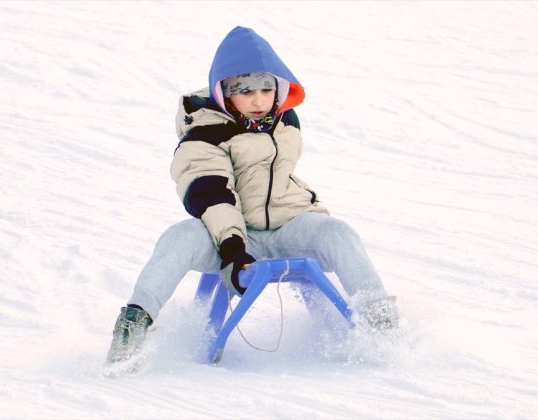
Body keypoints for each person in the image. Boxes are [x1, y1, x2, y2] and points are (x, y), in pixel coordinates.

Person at [106, 26, 399, 364]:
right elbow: (213, 194)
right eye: (245, 91)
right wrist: (233, 249)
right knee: (178, 238)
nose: (259, 100)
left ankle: (382, 327)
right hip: (234, 235)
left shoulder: (283, 118)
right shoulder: (205, 132)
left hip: (288, 226)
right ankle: (134, 324)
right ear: (225, 92)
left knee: (339, 233)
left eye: (266, 89)